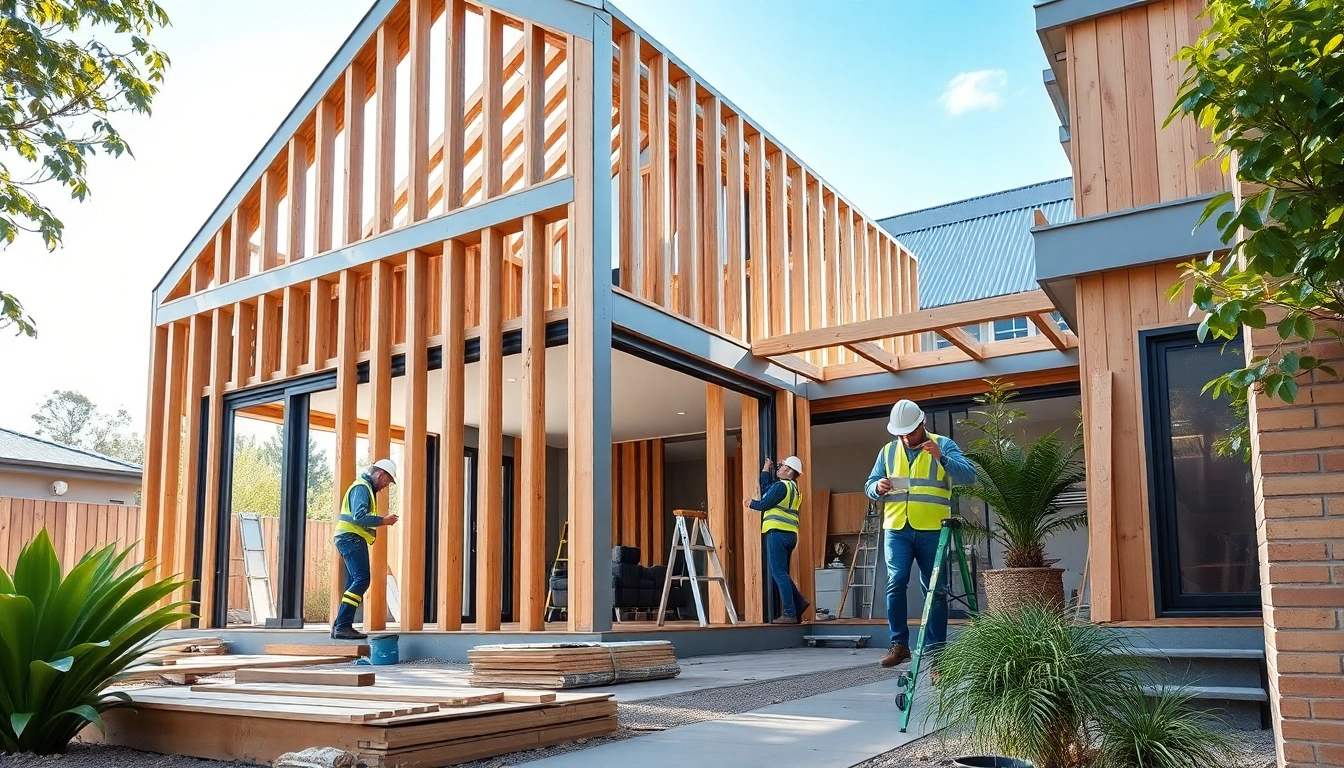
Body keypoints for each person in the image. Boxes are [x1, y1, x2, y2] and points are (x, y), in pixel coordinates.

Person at [864, 400, 975, 668]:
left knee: (935, 589)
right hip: (897, 529)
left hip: (933, 529)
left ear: (922, 424)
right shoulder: (887, 451)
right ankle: (899, 645)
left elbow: (969, 476)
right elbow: (868, 485)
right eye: (900, 433)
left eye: (910, 432)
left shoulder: (944, 444)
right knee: (895, 582)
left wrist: (941, 457)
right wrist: (877, 487)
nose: (905, 438)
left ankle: (938, 657)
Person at [331, 458, 401, 640]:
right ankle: (343, 625)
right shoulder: (362, 488)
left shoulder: (365, 488)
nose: (386, 486)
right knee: (362, 579)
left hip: (350, 538)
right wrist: (383, 521)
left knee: (354, 582)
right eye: (387, 481)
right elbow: (359, 516)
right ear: (380, 474)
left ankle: (340, 625)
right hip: (351, 538)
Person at [743, 455, 810, 624]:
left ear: (788, 471)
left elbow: (763, 504)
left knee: (779, 573)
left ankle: (789, 613)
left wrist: (750, 503)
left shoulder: (781, 486)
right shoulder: (793, 489)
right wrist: (766, 468)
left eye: (782, 467)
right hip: (790, 535)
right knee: (783, 574)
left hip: (777, 534)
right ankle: (799, 604)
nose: (779, 468)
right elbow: (767, 489)